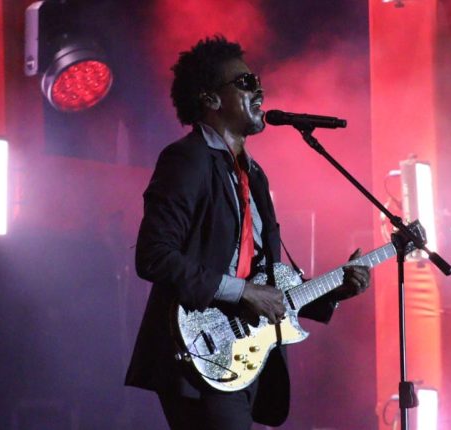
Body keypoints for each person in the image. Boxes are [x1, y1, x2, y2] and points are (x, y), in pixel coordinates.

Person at [125, 35, 371, 429]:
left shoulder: (253, 175)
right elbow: (154, 256)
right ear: (211, 99)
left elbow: (266, 282)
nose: (259, 90)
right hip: (197, 352)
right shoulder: (186, 159)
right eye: (245, 83)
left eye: (257, 81)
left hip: (246, 355)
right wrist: (241, 292)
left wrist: (334, 291)